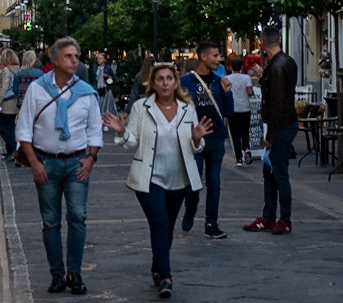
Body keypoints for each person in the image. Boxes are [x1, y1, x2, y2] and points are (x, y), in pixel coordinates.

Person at [102, 62, 209, 299]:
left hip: (179, 178)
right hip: (149, 177)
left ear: (175, 82)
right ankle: (166, 276)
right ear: (153, 83)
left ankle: (157, 267)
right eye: (160, 79)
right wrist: (121, 132)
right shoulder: (142, 107)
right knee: (159, 222)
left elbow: (195, 146)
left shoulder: (186, 108)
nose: (165, 83)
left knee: (167, 226)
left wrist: (197, 138)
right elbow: (133, 142)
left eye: (169, 78)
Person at [19, 37, 103, 295]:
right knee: (50, 221)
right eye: (68, 56)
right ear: (55, 61)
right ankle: (57, 274)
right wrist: (34, 163)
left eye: (76, 56)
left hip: (77, 163)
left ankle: (74, 273)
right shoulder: (37, 89)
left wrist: (90, 159)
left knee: (78, 217)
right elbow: (23, 129)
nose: (74, 60)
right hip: (46, 163)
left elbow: (95, 130)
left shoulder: (86, 93)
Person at [245, 27, 300, 234]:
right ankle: (269, 216)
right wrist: (263, 76)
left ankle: (284, 219)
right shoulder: (285, 62)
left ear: (261, 41)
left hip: (281, 125)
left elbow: (278, 102)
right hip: (285, 122)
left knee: (278, 172)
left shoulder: (277, 66)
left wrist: (270, 135)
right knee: (270, 171)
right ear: (278, 39)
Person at [179, 42, 234, 239]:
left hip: (216, 138)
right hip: (194, 139)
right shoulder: (186, 81)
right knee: (194, 182)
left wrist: (228, 94)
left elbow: (228, 112)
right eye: (215, 55)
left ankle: (212, 222)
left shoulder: (220, 82)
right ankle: (190, 207)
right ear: (204, 57)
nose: (219, 59)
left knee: (214, 182)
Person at [226, 62, 255, 165]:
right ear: (242, 67)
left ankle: (239, 158)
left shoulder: (227, 78)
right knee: (245, 131)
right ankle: (246, 148)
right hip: (245, 108)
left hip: (233, 108)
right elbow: (250, 92)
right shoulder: (246, 78)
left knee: (235, 134)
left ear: (230, 67)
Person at [0, 49, 23, 155]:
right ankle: (10, 151)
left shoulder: (6, 70)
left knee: (1, 126)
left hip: (6, 104)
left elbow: (4, 88)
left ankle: (15, 148)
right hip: (15, 102)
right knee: (11, 127)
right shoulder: (18, 69)